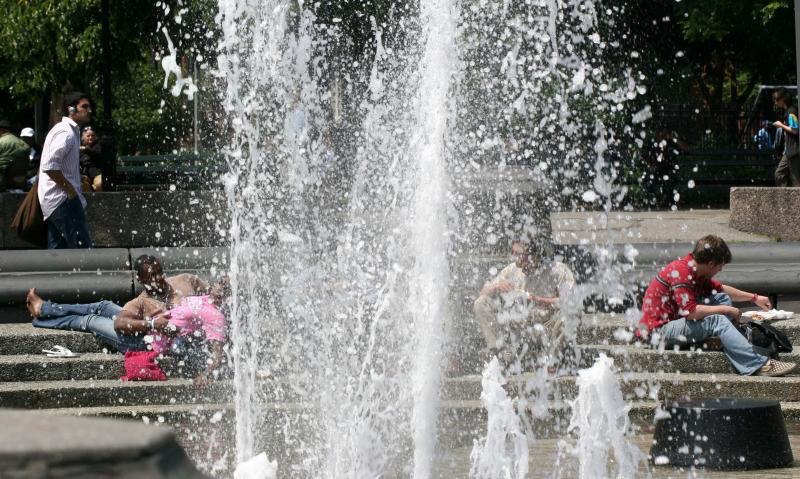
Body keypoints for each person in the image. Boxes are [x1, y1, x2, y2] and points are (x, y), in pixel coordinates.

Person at [27, 255, 225, 385]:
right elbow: (120, 324)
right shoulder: (142, 301)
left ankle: (42, 316)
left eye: (159, 273)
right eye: (151, 277)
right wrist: (151, 323)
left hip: (144, 342)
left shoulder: (184, 281)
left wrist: (222, 286)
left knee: (90, 319)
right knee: (104, 306)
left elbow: (210, 298)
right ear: (141, 281)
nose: (159, 279)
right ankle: (44, 309)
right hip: (137, 332)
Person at [637, 235, 797, 377]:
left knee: (721, 298)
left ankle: (720, 340)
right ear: (711, 263)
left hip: (674, 324)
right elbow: (691, 312)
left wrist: (754, 298)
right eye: (720, 266)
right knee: (718, 319)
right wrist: (727, 310)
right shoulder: (682, 273)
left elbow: (721, 289)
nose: (720, 270)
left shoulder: (695, 269)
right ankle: (760, 365)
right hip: (657, 333)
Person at [473, 239, 575, 370]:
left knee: (571, 312)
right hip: (518, 330)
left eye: (517, 253)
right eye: (513, 252)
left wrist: (537, 299)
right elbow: (482, 294)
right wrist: (496, 286)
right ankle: (504, 356)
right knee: (481, 303)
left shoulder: (558, 270)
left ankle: (553, 360)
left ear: (533, 256)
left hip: (547, 328)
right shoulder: (511, 270)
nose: (513, 256)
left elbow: (570, 301)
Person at [38, 92, 94, 248]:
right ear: (71, 110)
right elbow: (49, 165)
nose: (89, 110)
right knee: (83, 252)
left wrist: (76, 179)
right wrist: (69, 189)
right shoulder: (66, 133)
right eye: (84, 106)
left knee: (58, 255)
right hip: (64, 200)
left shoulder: (68, 130)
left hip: (56, 201)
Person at [772, 88, 800, 186]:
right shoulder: (788, 111)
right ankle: (784, 198)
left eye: (776, 99)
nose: (775, 102)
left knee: (796, 180)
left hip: (794, 151)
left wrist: (781, 125)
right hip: (788, 151)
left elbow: (795, 130)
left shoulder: (791, 112)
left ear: (783, 99)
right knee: (779, 174)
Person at [0, 119, 30, 191]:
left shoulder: (1, 142)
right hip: (19, 180)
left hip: (2, 179)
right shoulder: (24, 144)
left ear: (1, 130)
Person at [79, 126, 103, 192]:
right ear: (83, 137)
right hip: (84, 174)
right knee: (82, 185)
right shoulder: (78, 146)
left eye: (92, 135)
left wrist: (86, 149)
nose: (90, 137)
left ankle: (93, 192)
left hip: (96, 173)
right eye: (88, 136)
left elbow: (97, 154)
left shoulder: (97, 146)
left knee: (100, 183)